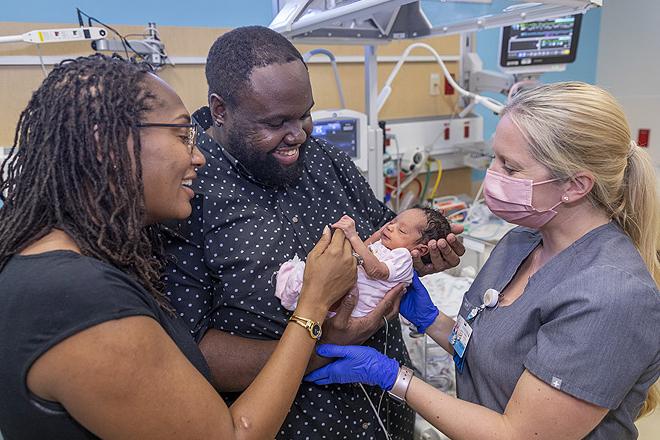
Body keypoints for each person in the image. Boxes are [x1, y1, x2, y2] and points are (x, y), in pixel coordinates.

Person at [0, 54, 358, 439]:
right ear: (106, 143)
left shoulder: (50, 264)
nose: (198, 156)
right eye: (181, 134)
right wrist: (313, 304)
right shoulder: (76, 298)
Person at [306, 82, 660, 439]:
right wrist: (433, 321)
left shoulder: (611, 294)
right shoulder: (519, 244)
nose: (492, 175)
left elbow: (518, 434)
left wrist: (394, 378)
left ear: (575, 186)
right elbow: (487, 353)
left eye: (510, 167)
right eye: (495, 158)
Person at [161, 25, 465, 439]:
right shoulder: (184, 193)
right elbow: (190, 355)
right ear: (220, 109)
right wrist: (322, 346)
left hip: (386, 417)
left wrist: (415, 259)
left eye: (305, 114)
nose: (298, 134)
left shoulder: (328, 163)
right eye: (276, 122)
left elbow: (386, 242)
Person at [276, 207, 451, 317]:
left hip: (357, 308)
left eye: (402, 230)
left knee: (314, 287)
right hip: (346, 294)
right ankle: (296, 290)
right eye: (393, 221)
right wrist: (373, 237)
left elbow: (376, 271)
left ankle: (298, 294)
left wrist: (353, 235)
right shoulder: (386, 246)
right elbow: (365, 249)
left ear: (420, 250)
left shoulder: (403, 258)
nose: (391, 227)